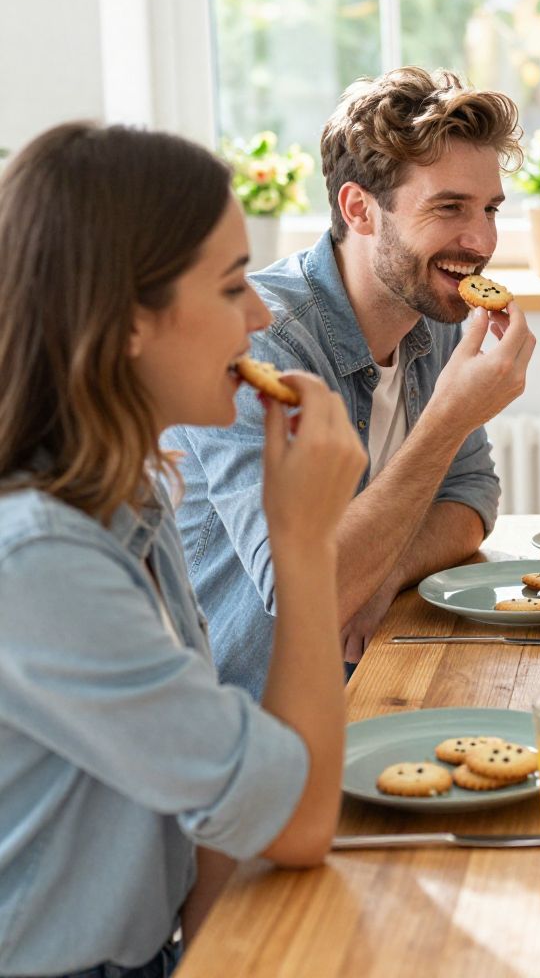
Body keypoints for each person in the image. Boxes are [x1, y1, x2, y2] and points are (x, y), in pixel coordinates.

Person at [0, 123, 367, 977]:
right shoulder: (41, 562)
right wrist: (304, 541)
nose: (262, 315)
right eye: (233, 284)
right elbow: (298, 821)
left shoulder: (132, 486)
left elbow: (221, 821)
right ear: (130, 320)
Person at [167, 67, 536, 694]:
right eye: (449, 207)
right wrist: (448, 417)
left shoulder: (435, 309)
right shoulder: (261, 346)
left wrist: (383, 574)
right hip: (244, 717)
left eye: (491, 209)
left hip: (371, 675)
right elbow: (305, 593)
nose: (481, 241)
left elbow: (473, 497)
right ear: (359, 208)